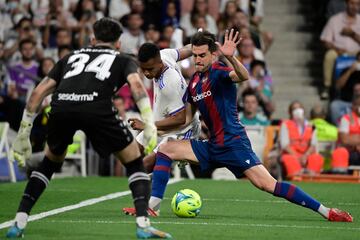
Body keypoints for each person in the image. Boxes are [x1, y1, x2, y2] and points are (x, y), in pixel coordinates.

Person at [124, 29, 353, 222]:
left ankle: (326, 211)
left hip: (234, 145)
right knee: (166, 148)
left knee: (270, 186)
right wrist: (150, 127)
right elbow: (184, 119)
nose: (198, 60)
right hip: (213, 145)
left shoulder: (220, 73)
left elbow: (242, 76)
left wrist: (230, 57)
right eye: (194, 56)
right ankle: (152, 205)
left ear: (214, 54)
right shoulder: (193, 82)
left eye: (202, 55)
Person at [6, 18, 171, 239]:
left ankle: (19, 222)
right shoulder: (122, 59)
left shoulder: (69, 57)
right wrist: (149, 122)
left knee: (49, 163)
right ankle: (143, 225)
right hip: (96, 107)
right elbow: (137, 86)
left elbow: (38, 92)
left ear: (93, 39)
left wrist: (24, 132)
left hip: (61, 106)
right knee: (133, 160)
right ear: (118, 43)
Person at [126, 42, 201, 174]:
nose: (146, 73)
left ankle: (149, 191)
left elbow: (180, 119)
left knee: (144, 166)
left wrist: (147, 125)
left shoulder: (169, 83)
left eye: (150, 69)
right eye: (143, 69)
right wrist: (201, 43)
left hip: (181, 130)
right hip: (162, 124)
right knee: (132, 156)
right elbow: (187, 49)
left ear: (159, 62)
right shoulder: (165, 54)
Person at [280, 101, 324, 177]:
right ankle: (296, 175)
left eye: (299, 108)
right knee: (288, 158)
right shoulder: (286, 124)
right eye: (294, 109)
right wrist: (298, 157)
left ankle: (312, 175)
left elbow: (313, 145)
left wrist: (305, 156)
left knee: (317, 157)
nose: (297, 110)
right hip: (292, 154)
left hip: (306, 155)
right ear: (290, 112)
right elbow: (285, 145)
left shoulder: (311, 125)